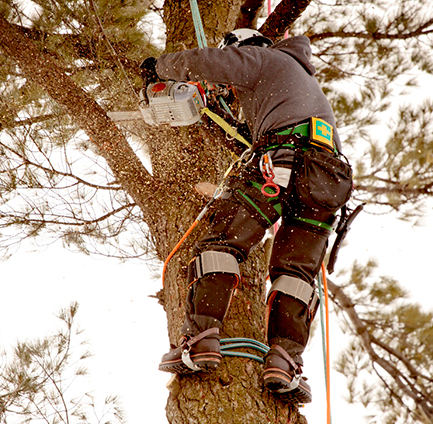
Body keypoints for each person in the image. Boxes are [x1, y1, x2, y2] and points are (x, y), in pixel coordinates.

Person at [140, 28, 353, 404]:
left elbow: (205, 62)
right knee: (296, 273)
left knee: (223, 244)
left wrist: (160, 67)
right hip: (326, 179)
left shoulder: (262, 58)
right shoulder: (295, 81)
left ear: (243, 49)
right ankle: (284, 365)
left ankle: (201, 340)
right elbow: (250, 139)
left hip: (282, 163)